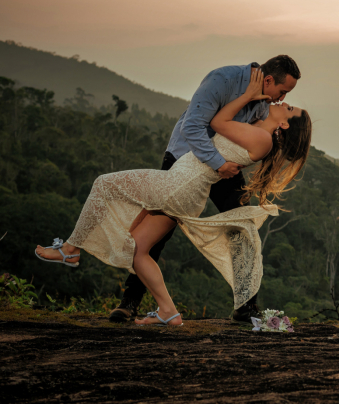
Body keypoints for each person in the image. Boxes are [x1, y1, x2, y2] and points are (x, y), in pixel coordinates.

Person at [34, 66, 312, 326]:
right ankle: (167, 311)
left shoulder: (260, 136)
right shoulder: (238, 98)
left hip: (178, 184)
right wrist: (250, 98)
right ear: (269, 79)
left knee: (103, 184)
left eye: (287, 105)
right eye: (284, 95)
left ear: (285, 125)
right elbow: (203, 125)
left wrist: (249, 96)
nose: (281, 101)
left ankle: (70, 250)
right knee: (137, 248)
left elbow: (217, 121)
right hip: (186, 186)